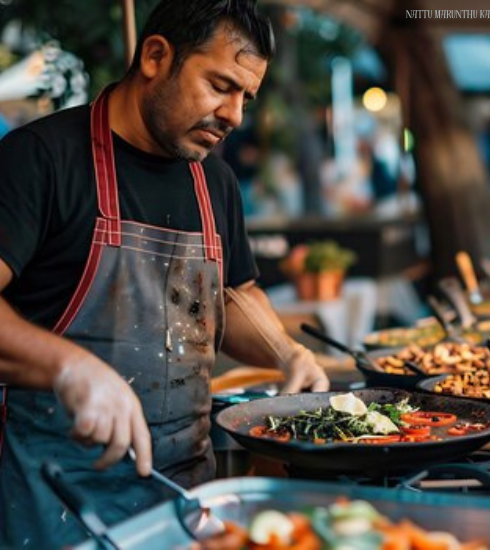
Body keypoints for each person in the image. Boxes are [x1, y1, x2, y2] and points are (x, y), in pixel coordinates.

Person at [0, 1, 329, 546]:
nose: (235, 116)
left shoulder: (213, 181)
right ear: (156, 56)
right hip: (52, 506)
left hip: (182, 504)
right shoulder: (40, 160)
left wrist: (286, 353)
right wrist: (67, 367)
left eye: (246, 96)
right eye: (221, 85)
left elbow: (233, 295)